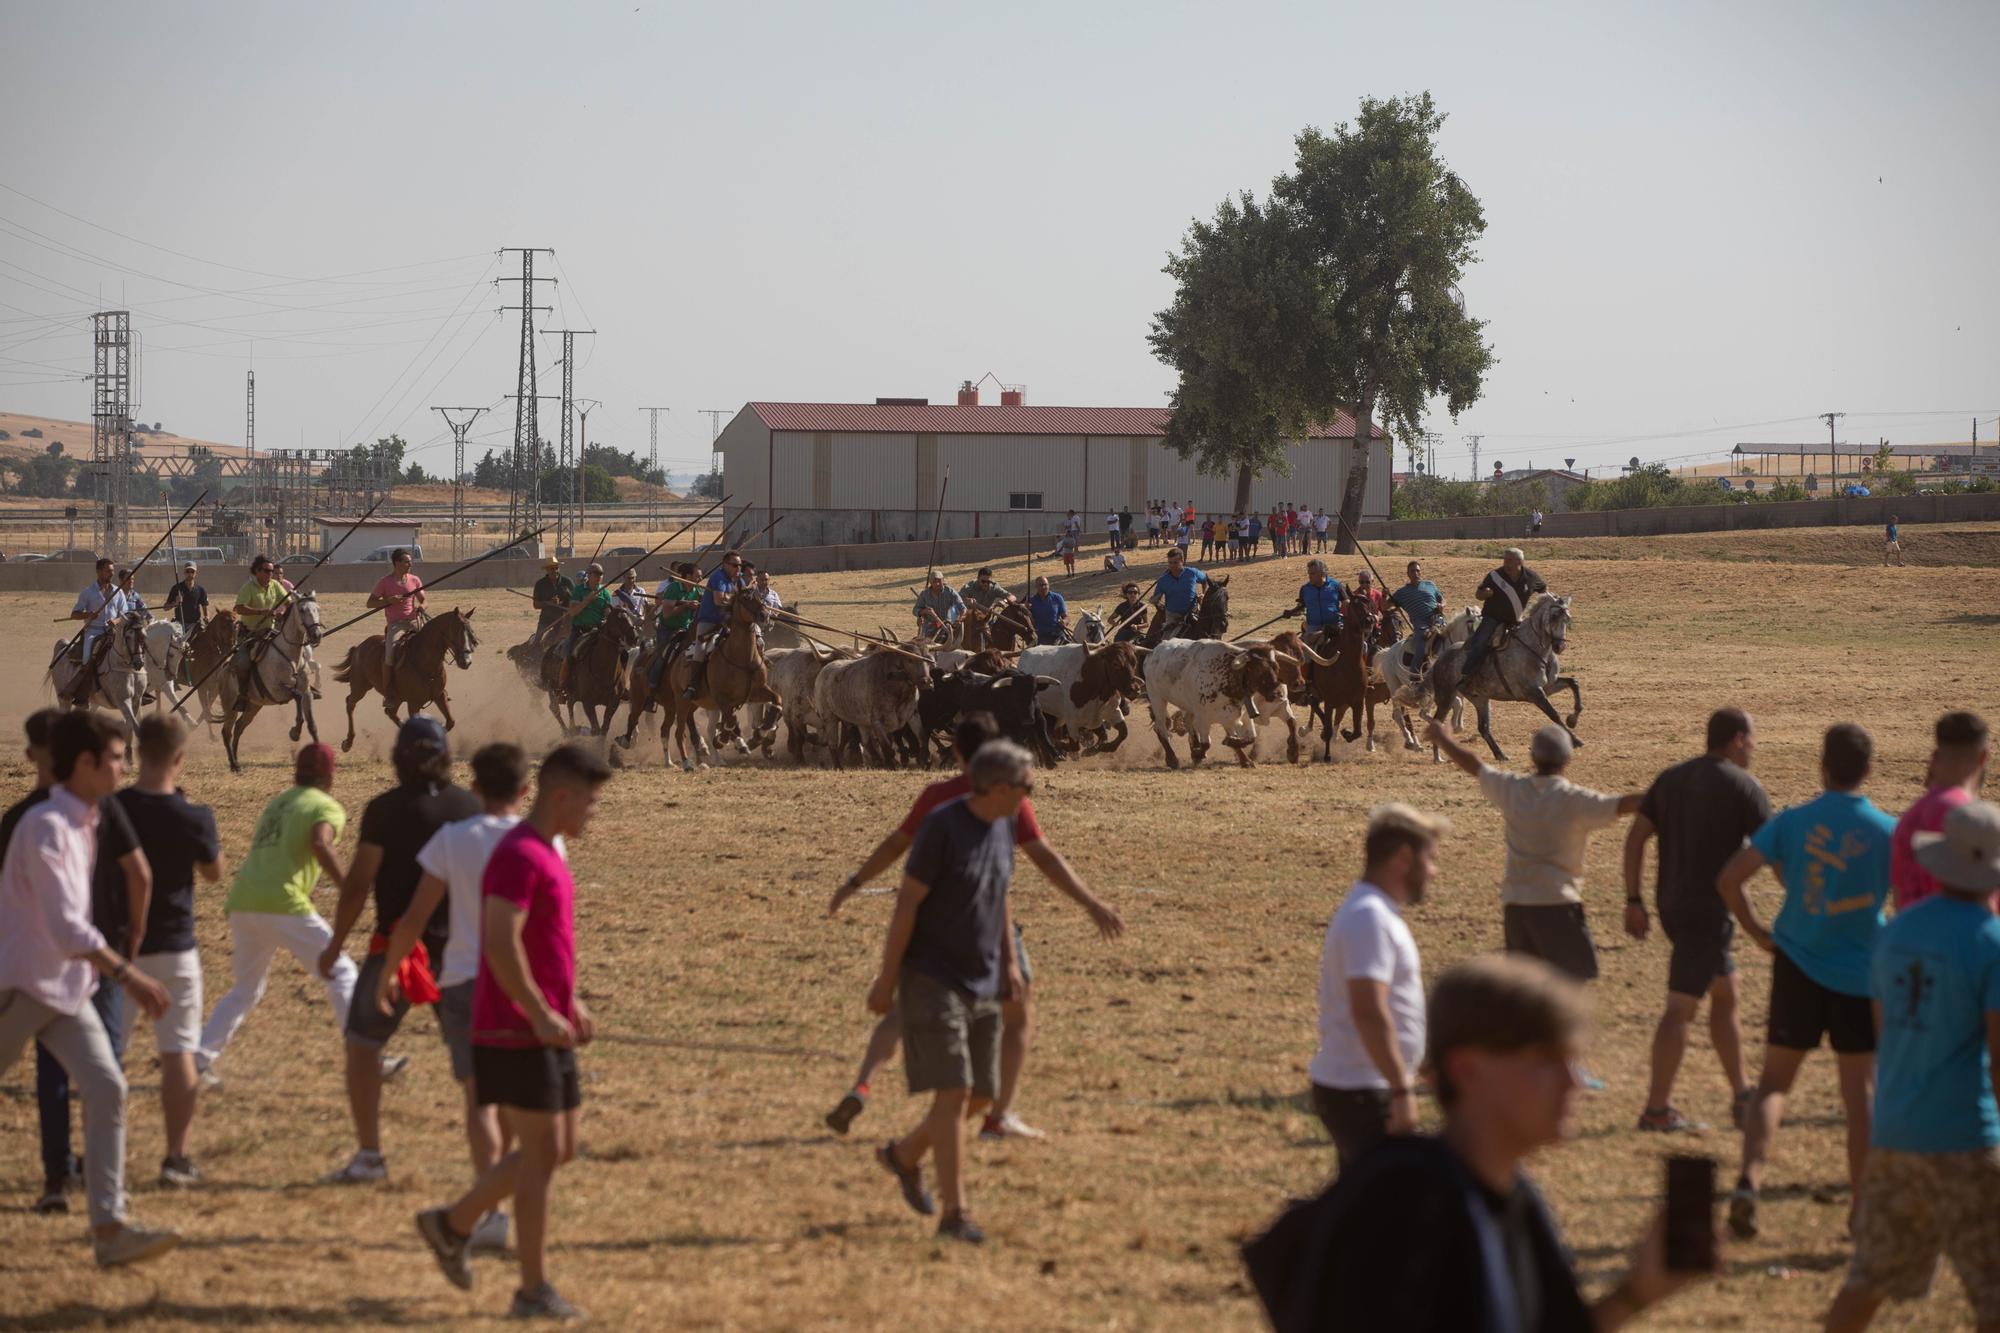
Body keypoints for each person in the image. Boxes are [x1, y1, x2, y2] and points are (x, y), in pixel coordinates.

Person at [1251, 955, 1716, 1332]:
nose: (1574, 1082)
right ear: (1467, 1070)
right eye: (1546, 1060)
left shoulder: (1516, 1200)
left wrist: (1635, 1293)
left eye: (1573, 1060)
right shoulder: (1405, 1199)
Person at [827, 715, 1123, 1141]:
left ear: (957, 753)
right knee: (1018, 1014)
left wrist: (854, 883)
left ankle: (863, 1083)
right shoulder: (1005, 798)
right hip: (985, 926)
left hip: (930, 923)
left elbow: (897, 845)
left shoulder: (938, 795)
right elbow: (1043, 857)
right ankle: (996, 1117)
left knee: (902, 1009)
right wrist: (1090, 903)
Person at [415, 743, 612, 1321]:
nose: (593, 813)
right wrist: (538, 1011)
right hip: (513, 1029)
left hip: (544, 1023)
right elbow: (500, 943)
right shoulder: (520, 855)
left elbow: (542, 944)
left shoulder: (549, 848)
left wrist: (568, 1000)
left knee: (558, 1149)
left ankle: (450, 1224)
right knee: (541, 1155)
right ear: (560, 797)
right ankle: (531, 1290)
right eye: (590, 802)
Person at [0, 710, 180, 1268]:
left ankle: (110, 1229)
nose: (125, 766)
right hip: (20, 987)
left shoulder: (89, 819)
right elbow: (67, 928)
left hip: (62, 989)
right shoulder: (47, 825)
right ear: (84, 764)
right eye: (116, 757)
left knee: (107, 1087)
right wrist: (128, 974)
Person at [1823, 799, 2000, 1332]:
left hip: (1897, 1133)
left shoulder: (1896, 930)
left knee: (1867, 1281)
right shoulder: (1991, 942)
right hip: (1966, 1137)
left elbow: (1887, 1030)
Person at [1715, 723, 1894, 1240]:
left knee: (1772, 1084)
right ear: (1869, 769)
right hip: (1860, 974)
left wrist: (1757, 933)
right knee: (1860, 1095)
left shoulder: (1794, 822)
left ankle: (1748, 1181)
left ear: (1822, 765)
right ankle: (1861, 1210)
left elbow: (1729, 879)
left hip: (1796, 963)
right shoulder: (1888, 831)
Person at [379, 742, 552, 1256]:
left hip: (462, 979)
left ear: (472, 788)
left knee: (480, 1098)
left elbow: (414, 917)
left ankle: (493, 1215)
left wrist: (390, 971)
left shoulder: (453, 839)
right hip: (521, 983)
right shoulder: (542, 841)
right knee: (520, 1102)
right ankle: (502, 1203)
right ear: (526, 791)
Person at [866, 741, 1036, 1244]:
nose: (1032, 795)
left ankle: (903, 1155)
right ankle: (955, 1215)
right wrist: (886, 978)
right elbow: (906, 906)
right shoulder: (942, 827)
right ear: (999, 788)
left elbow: (999, 895)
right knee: (955, 1090)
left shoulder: (1003, 824)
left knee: (980, 1096)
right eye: (1028, 786)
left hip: (982, 973)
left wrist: (1009, 962)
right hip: (931, 976)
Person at [1427, 719, 1639, 1080]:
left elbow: (1474, 764)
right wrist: (1669, 793)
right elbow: (1621, 805)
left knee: (1523, 990)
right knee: (1571, 987)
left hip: (1517, 904)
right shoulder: (1574, 800)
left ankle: (1517, 1060)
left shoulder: (1513, 790)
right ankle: (1565, 1066)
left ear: (1532, 757)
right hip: (1558, 903)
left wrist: (1444, 739)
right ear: (1567, 760)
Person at [319, 716, 480, 1184]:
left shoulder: (384, 810)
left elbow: (357, 886)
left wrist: (335, 943)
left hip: (397, 949)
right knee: (471, 1064)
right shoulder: (468, 807)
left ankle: (369, 1156)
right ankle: (485, 1167)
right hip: (459, 949)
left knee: (363, 1044)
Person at [1623, 707, 1769, 1133]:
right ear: (1738, 740)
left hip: (1671, 906)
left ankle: (1743, 1094)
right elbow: (1770, 850)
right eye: (1753, 740)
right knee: (1679, 1010)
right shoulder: (1745, 787)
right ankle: (1656, 1111)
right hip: (1708, 911)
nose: (1754, 749)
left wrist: (1634, 898)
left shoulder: (1672, 777)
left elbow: (1636, 838)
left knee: (1726, 994)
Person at [93, 714, 220, 1189]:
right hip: (176, 946)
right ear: (180, 758)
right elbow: (212, 872)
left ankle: (104, 1159)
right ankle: (176, 1158)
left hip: (121, 948)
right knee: (178, 1053)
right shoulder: (194, 815)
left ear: (136, 752)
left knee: (107, 1056)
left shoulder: (111, 807)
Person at [196, 743, 358, 1083]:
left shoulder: (277, 803)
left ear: (295, 772)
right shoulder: (326, 806)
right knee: (342, 972)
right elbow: (320, 842)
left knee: (245, 989)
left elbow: (282, 852)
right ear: (331, 777)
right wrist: (347, 885)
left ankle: (199, 1057)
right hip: (283, 903)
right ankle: (366, 1055)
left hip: (243, 902)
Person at [1309, 804, 1446, 1171]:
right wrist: (1401, 1088)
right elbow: (1369, 1010)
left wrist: (1426, 1067)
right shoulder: (1369, 916)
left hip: (1366, 1085)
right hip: (1363, 1091)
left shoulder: (1377, 912)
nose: (1433, 871)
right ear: (1404, 857)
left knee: (1367, 1213)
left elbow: (1397, 1006)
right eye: (1429, 858)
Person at [1892, 710, 1993, 912]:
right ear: (1983, 757)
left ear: (1935, 757)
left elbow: (1898, 896)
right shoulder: (1972, 820)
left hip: (1911, 936)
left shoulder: (1909, 818)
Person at [1459, 547, 1547, 680]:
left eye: (1510, 560)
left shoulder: (1531, 577)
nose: (1506, 563)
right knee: (1480, 641)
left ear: (1520, 562)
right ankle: (1466, 675)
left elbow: (1544, 590)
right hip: (1493, 618)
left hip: (1517, 620)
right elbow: (1479, 594)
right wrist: (1485, 594)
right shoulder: (1494, 576)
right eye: (1505, 560)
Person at [66, 557, 129, 706]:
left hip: (113, 632)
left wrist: (116, 621)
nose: (111, 574)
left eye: (112, 571)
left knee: (132, 651)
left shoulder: (118, 592)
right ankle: (84, 695)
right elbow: (74, 614)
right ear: (99, 571)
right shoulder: (88, 592)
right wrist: (89, 615)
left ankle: (139, 688)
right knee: (88, 659)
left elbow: (125, 614)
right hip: (93, 632)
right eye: (108, 571)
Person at [680, 551, 742, 701]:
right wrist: (736, 599)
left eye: (740, 565)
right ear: (724, 565)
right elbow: (718, 600)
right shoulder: (718, 577)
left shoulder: (738, 580)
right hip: (709, 621)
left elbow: (745, 596)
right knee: (701, 648)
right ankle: (693, 685)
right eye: (734, 565)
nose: (738, 568)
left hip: (729, 622)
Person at [229, 553, 290, 685]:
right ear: (257, 571)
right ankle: (242, 695)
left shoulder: (275, 585)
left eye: (272, 571)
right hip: (250, 634)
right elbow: (239, 608)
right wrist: (261, 612)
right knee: (243, 664)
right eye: (267, 571)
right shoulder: (248, 588)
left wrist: (283, 614)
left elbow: (289, 602)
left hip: (270, 632)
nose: (271, 574)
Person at [556, 562, 613, 699]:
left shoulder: (605, 593)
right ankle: (562, 688)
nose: (599, 577)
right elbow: (573, 612)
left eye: (601, 574)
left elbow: (607, 613)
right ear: (589, 575)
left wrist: (607, 617)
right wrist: (587, 600)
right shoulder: (578, 590)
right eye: (596, 574)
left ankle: (617, 685)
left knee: (618, 653)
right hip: (580, 630)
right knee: (568, 655)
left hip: (598, 631)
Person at [369, 548, 425, 673]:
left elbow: (424, 601)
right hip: (396, 625)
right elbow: (370, 603)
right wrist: (389, 601)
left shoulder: (414, 580)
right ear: (397, 563)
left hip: (414, 621)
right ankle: (388, 686)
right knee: (390, 655)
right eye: (407, 562)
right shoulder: (384, 582)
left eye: (410, 561)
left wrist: (422, 607)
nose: (410, 564)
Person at [1388, 559, 1446, 673]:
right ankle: (1414, 675)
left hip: (1437, 618)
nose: (1416, 573)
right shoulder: (1402, 592)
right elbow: (1385, 606)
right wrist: (1385, 595)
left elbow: (1443, 599)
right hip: (1421, 623)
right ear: (1408, 574)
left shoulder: (1430, 585)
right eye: (1412, 571)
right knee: (1422, 643)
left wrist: (1442, 605)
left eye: (1418, 571)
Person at [1148, 546, 1208, 636]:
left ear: (1182, 561)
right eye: (1170, 563)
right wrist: (1157, 603)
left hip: (1193, 611)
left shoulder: (1192, 573)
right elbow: (1156, 599)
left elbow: (1205, 580)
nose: (1172, 565)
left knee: (1207, 633)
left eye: (1175, 562)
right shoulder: (1163, 580)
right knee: (1168, 644)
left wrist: (1203, 593)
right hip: (1173, 616)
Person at [1286, 559, 1345, 648]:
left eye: (1313, 574)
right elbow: (1300, 610)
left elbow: (1347, 604)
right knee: (1306, 655)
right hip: (1314, 627)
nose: (1310, 576)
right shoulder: (1305, 589)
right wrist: (1290, 612)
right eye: (1309, 573)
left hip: (1334, 625)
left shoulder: (1337, 586)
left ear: (1322, 573)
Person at [526, 555, 573, 650]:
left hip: (563, 619)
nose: (554, 571)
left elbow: (575, 600)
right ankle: (532, 659)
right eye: (551, 569)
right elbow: (536, 605)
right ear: (547, 570)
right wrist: (548, 603)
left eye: (556, 568)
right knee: (537, 641)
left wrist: (565, 603)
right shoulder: (540, 584)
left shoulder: (567, 582)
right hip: (546, 619)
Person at [913, 570, 964, 642]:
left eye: (939, 581)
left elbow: (963, 608)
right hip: (929, 627)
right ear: (931, 583)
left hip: (947, 626)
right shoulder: (924, 594)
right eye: (934, 581)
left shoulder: (950, 592)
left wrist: (959, 619)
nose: (937, 583)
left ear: (943, 580)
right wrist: (925, 611)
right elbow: (915, 610)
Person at [163, 562, 208, 634]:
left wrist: (206, 617)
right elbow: (165, 608)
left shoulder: (201, 590)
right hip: (179, 624)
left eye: (192, 571)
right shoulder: (176, 588)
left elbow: (204, 607)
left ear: (195, 573)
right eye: (187, 571)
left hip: (195, 624)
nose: (190, 574)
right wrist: (175, 603)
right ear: (184, 572)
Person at [1026, 575, 1067, 646]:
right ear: (1036, 587)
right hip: (1040, 637)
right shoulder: (1031, 601)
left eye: (1045, 585)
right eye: (1041, 585)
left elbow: (1066, 617)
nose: (1043, 587)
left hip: (1057, 635)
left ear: (1048, 585)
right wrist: (1026, 609)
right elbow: (1026, 620)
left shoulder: (1057, 598)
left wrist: (1064, 622)